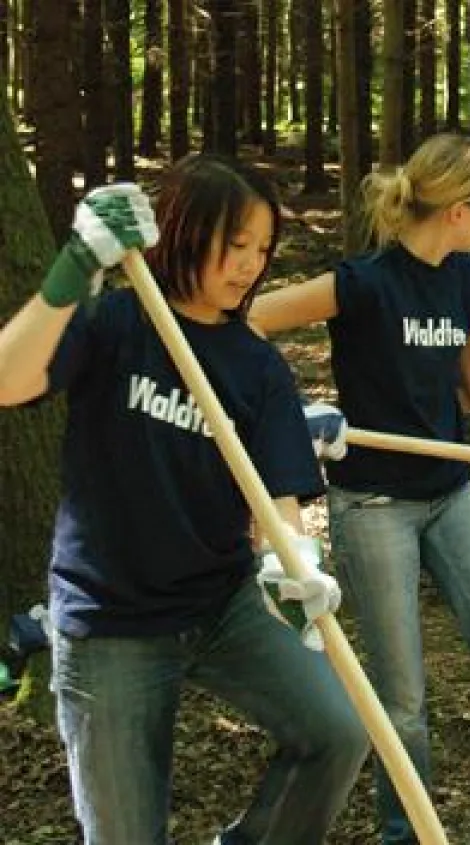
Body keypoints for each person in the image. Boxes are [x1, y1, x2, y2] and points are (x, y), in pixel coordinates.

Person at [249, 133, 470, 845]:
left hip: (452, 495)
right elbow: (249, 319)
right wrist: (294, 410)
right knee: (404, 698)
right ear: (455, 209)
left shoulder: (465, 278)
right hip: (373, 505)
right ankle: (407, 833)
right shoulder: (363, 282)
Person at [0, 154, 370, 844]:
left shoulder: (257, 366)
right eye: (236, 244)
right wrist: (73, 267)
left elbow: (277, 499)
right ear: (185, 230)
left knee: (340, 732)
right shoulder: (118, 322)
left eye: (262, 249)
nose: (250, 266)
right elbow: (7, 380)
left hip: (221, 603)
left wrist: (294, 565)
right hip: (109, 618)